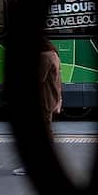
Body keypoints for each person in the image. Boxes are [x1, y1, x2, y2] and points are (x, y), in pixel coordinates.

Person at [13, 39, 63, 176]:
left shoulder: (44, 57)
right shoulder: (54, 55)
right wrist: (59, 99)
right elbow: (59, 79)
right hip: (50, 99)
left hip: (43, 100)